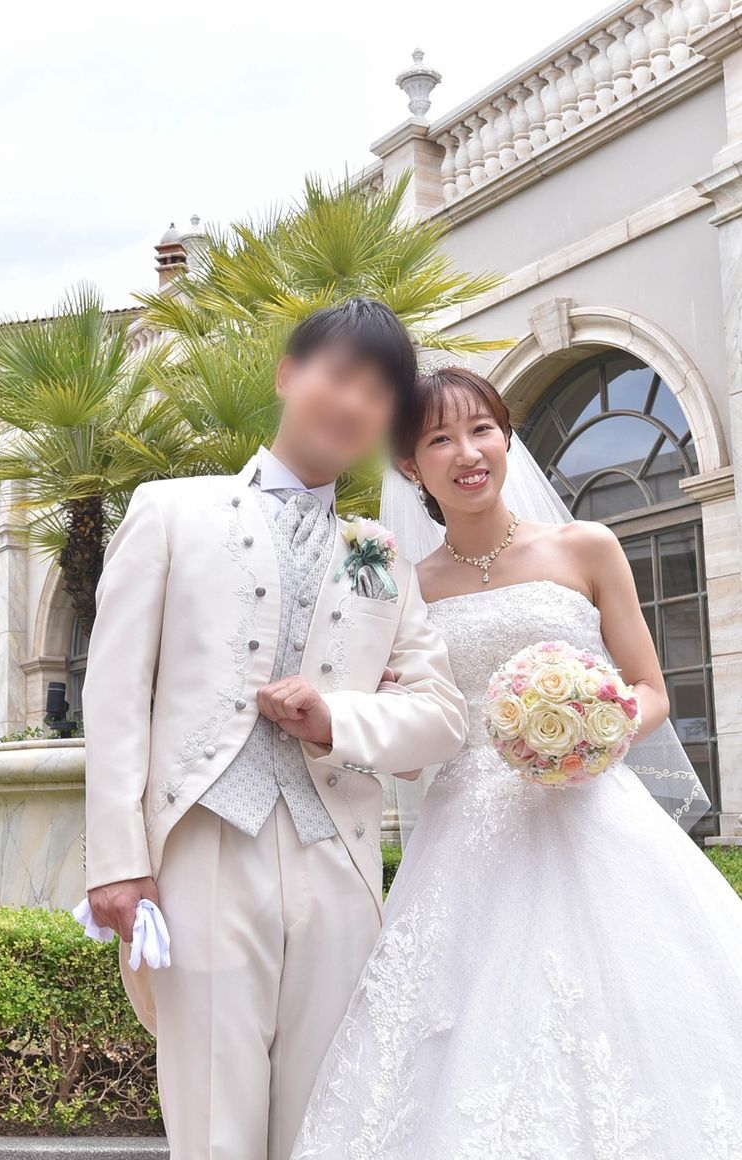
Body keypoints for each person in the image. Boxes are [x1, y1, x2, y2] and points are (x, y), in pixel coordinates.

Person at [293, 366, 742, 1160]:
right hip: (465, 838)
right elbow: (410, 755)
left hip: (596, 818)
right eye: (440, 440)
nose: (468, 453)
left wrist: (594, 732)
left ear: (507, 438)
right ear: (410, 465)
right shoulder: (404, 587)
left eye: (482, 430)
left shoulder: (587, 547)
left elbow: (650, 690)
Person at [82, 299, 470, 1160]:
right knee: (212, 1120)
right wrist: (115, 860)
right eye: (340, 376)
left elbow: (443, 716)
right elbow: (115, 693)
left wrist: (337, 719)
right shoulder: (169, 511)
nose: (354, 402)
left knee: (327, 1123)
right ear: (289, 375)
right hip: (205, 847)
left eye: (378, 393)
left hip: (338, 856)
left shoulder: (381, 556)